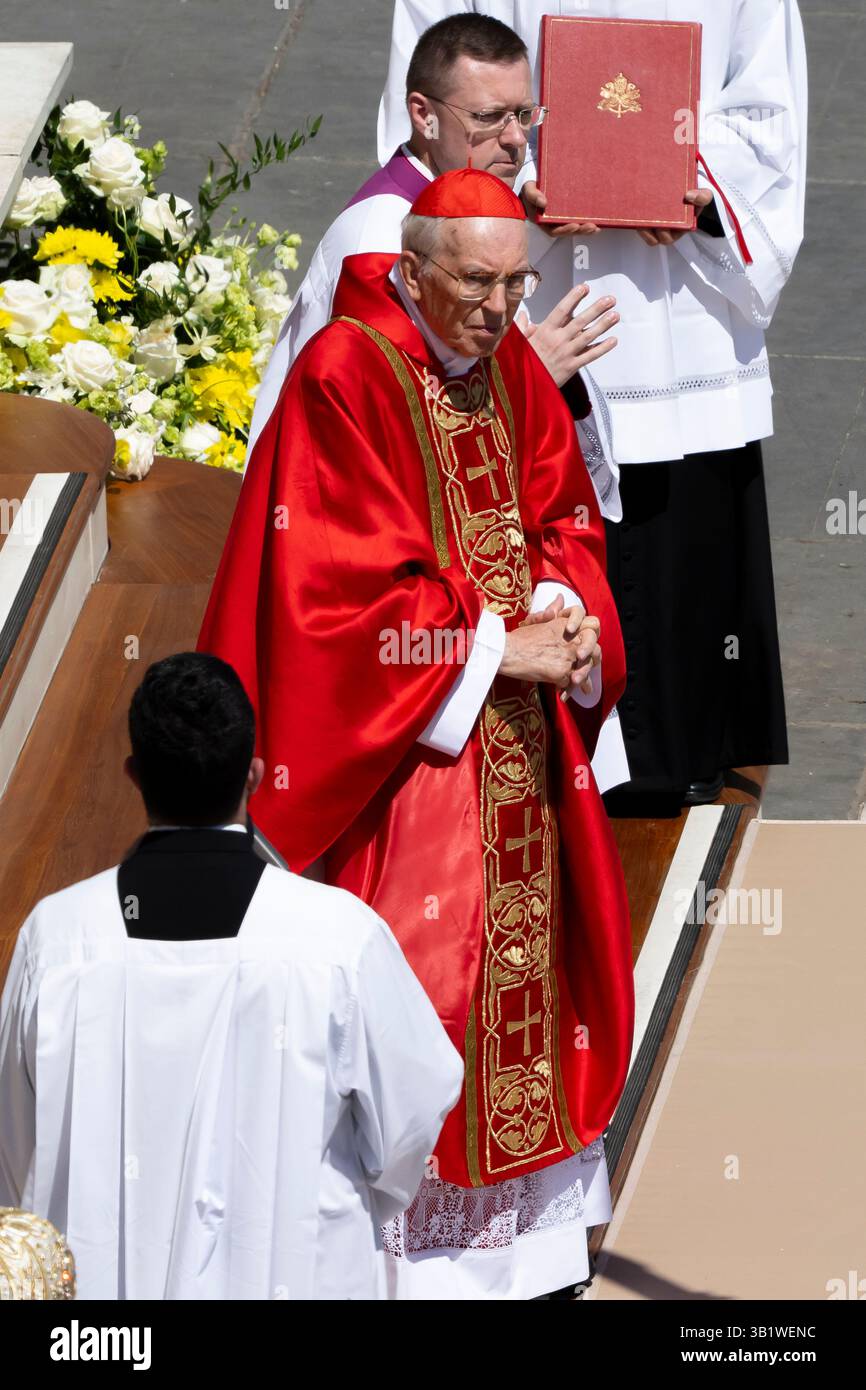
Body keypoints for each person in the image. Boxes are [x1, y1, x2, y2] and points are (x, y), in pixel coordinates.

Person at [198, 169, 635, 1300]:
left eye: (516, 283)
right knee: (414, 1016)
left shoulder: (507, 377)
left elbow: (563, 516)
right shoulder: (344, 376)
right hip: (405, 779)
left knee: (520, 1013)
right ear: (411, 268)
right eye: (476, 284)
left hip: (520, 765)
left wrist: (568, 617)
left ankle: (527, 1275)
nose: (499, 311)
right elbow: (334, 601)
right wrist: (495, 649)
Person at [379, 0, 807, 811]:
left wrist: (685, 186)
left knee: (683, 645)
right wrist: (520, 178)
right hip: (528, 296)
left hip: (684, 324)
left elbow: (767, 122)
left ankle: (680, 769)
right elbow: (432, 95)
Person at [0, 652, 463, 1300]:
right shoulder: (337, 937)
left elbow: (19, 1148)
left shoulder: (58, 938)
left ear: (134, 776)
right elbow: (413, 1113)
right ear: (253, 776)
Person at [248, 12, 622, 529]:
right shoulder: (379, 243)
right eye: (490, 117)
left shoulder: (467, 210)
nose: (516, 139)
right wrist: (528, 374)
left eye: (524, 113)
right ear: (423, 115)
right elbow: (388, 426)